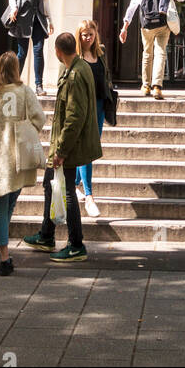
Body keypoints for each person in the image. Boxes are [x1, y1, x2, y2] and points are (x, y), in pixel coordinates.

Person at [22, 32, 101, 263]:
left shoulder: (76, 74)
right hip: (64, 143)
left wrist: (61, 151)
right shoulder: (77, 67)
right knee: (49, 183)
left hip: (69, 145)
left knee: (67, 193)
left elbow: (74, 117)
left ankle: (76, 244)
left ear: (57, 51)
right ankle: (47, 235)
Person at [0, 50, 45, 275]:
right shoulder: (25, 92)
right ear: (16, 69)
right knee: (6, 208)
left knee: (1, 209)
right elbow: (40, 120)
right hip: (18, 159)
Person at [119, 0, 185, 100]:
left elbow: (131, 9)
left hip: (147, 26)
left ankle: (146, 85)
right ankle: (157, 87)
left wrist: (124, 28)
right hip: (163, 24)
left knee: (147, 54)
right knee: (161, 53)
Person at [75, 18, 114, 218]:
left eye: (91, 34)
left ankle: (73, 183)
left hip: (99, 104)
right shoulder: (76, 57)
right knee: (88, 151)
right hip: (84, 107)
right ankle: (89, 196)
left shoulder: (100, 52)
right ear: (79, 36)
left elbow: (106, 76)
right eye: (84, 35)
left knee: (92, 145)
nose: (88, 38)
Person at [6, 0, 54, 96]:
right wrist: (14, 8)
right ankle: (14, 83)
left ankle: (39, 85)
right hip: (23, 18)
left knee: (38, 50)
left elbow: (46, 2)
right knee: (22, 53)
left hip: (39, 19)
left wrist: (50, 20)